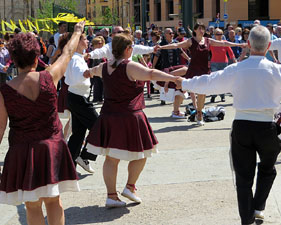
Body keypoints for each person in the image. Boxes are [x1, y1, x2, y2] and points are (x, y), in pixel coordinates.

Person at [175, 25, 281, 225]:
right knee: (268, 169)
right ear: (269, 46)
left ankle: (247, 218)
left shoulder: (236, 69)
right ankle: (258, 206)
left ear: (248, 44)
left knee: (243, 177)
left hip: (242, 125)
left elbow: (209, 82)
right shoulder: (277, 70)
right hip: (267, 126)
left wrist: (184, 83)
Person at [0, 21, 85, 225]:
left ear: (13, 59)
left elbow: (0, 129)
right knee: (54, 202)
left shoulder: (5, 91)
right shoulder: (50, 77)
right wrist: (77, 32)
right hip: (51, 148)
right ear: (37, 57)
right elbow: (68, 52)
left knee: (32, 205)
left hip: (22, 151)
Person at [83, 33, 178, 208]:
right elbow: (150, 74)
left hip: (109, 116)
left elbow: (88, 72)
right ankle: (130, 187)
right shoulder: (129, 66)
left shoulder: (104, 67)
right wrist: (173, 78)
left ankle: (111, 196)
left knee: (111, 158)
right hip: (130, 116)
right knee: (142, 153)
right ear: (127, 49)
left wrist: (87, 72)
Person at [159, 23, 246, 125]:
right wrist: (161, 47)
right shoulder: (190, 41)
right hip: (193, 70)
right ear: (195, 30)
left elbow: (224, 43)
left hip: (204, 70)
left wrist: (239, 44)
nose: (202, 30)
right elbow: (176, 45)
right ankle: (181, 110)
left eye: (203, 29)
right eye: (200, 28)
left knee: (202, 92)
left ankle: (199, 114)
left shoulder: (208, 41)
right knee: (187, 91)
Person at [65, 32, 99, 174]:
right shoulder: (75, 59)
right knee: (99, 126)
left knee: (78, 133)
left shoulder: (77, 57)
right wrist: (93, 71)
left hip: (78, 96)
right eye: (85, 39)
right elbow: (80, 76)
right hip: (79, 98)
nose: (87, 41)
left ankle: (70, 165)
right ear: (78, 42)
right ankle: (84, 156)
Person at [85, 26, 159, 61]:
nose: (123, 33)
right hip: (115, 79)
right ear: (113, 35)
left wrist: (152, 49)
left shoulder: (129, 45)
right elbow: (100, 52)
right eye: (120, 32)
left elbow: (139, 48)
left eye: (123, 32)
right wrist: (90, 55)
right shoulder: (109, 47)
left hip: (128, 78)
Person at [209, 28, 236, 102]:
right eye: (217, 34)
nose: (219, 36)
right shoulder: (211, 43)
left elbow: (230, 52)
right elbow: (206, 52)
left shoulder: (224, 42)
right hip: (214, 63)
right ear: (214, 35)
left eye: (221, 34)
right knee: (215, 80)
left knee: (222, 80)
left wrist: (234, 60)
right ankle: (213, 95)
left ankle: (222, 96)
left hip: (224, 63)